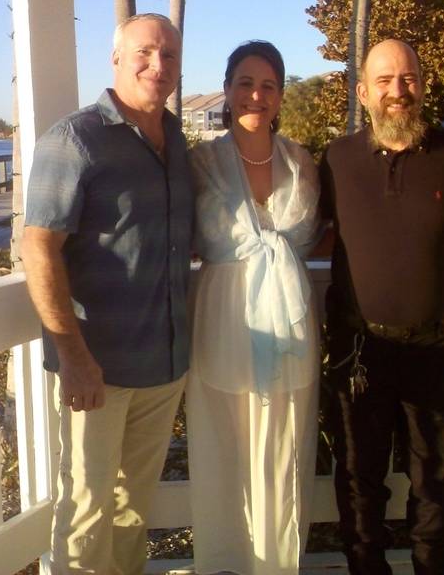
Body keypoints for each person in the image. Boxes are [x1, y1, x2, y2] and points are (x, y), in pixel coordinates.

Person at [21, 13, 193, 575]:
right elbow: (38, 248)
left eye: (168, 54)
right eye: (145, 51)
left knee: (131, 507)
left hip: (162, 364)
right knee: (88, 507)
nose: (158, 64)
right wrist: (73, 357)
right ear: (116, 57)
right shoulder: (75, 139)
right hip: (96, 368)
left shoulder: (178, 140)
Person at [319, 39, 444, 575]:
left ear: (423, 83)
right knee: (357, 477)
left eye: (409, 78)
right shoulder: (336, 159)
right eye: (384, 81)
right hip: (358, 350)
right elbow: (306, 231)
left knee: (433, 478)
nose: (398, 91)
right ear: (363, 92)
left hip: (437, 344)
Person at [187, 40, 321, 575]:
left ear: (281, 97)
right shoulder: (198, 162)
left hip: (290, 318)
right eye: (245, 83)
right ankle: (225, 563)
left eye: (268, 85)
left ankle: (277, 564)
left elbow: (321, 237)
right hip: (225, 314)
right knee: (225, 443)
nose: (256, 95)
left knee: (284, 446)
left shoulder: (302, 160)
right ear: (226, 89)